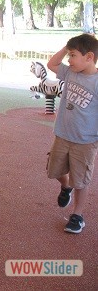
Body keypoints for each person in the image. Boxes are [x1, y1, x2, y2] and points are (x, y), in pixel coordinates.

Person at [46, 33, 98, 234]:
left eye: (73, 55)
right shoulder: (70, 73)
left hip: (85, 141)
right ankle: (65, 187)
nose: (69, 59)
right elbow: (52, 64)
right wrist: (66, 47)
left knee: (81, 179)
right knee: (55, 170)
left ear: (89, 57)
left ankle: (77, 215)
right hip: (62, 134)